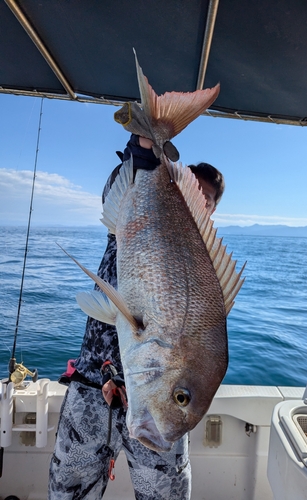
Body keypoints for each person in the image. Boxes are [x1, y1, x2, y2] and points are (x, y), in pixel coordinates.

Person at [48, 134, 225, 500]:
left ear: (210, 210)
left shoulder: (206, 267)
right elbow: (114, 192)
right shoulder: (132, 227)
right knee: (69, 491)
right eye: (190, 188)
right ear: (178, 187)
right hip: (91, 385)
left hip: (156, 406)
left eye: (205, 198)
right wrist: (140, 154)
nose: (197, 199)